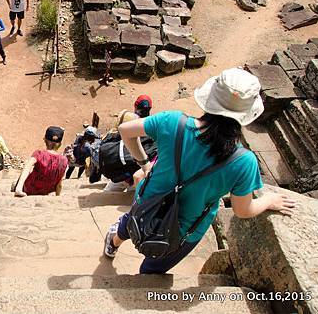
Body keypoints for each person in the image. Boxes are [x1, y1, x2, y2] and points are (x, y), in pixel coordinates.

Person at [102, 68, 297, 274]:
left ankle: (113, 242)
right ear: (247, 113)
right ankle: (144, 283)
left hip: (148, 200)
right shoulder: (244, 162)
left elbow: (126, 130)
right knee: (155, 266)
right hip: (184, 229)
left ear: (211, 98)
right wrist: (269, 200)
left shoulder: (173, 122)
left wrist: (145, 164)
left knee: (132, 220)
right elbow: (242, 210)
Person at [93, 96, 157, 191]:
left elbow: (114, 136)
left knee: (108, 192)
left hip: (121, 172)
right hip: (138, 172)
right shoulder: (152, 125)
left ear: (135, 106)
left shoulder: (127, 117)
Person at [13, 126, 68, 197]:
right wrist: (58, 195)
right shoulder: (64, 160)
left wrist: (19, 187)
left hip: (29, 189)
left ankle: (18, 188)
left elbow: (28, 166)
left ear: (45, 140)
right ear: (60, 144)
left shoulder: (39, 153)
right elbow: (59, 182)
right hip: (46, 191)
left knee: (28, 165)